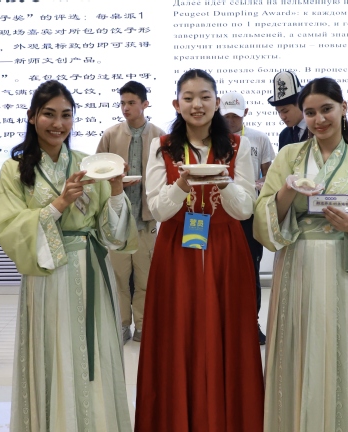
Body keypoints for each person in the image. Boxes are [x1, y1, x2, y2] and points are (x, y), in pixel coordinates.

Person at [0, 80, 137, 431]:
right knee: (55, 351)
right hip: (48, 276)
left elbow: (111, 234)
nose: (58, 124)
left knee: (94, 354)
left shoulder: (89, 164)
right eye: (49, 114)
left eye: (66, 115)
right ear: (32, 116)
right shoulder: (14, 169)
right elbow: (8, 228)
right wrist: (59, 204)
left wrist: (116, 191)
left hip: (92, 272)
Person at [254, 77, 348, 432]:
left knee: (343, 349)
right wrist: (287, 192)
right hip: (298, 265)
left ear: (343, 108)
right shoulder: (289, 156)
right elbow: (263, 213)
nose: (319, 119)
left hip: (345, 266)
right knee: (298, 347)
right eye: (310, 112)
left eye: (327, 109)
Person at [135, 69, 264, 432]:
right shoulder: (162, 146)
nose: (197, 104)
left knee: (229, 333)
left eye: (205, 97)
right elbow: (158, 210)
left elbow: (245, 209)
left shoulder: (237, 146)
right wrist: (181, 184)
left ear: (217, 102)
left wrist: (224, 182)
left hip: (226, 246)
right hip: (177, 247)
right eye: (188, 98)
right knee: (178, 334)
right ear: (176, 104)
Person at [96, 80, 165, 343]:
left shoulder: (159, 136)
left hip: (146, 220)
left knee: (146, 280)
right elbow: (95, 174)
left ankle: (143, 326)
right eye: (123, 103)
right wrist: (114, 183)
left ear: (145, 104)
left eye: (131, 103)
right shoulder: (110, 135)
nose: (125, 108)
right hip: (118, 221)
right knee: (118, 279)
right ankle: (122, 324)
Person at [220, 90, 275, 345]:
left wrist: (258, 184)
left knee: (250, 270)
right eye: (226, 116)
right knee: (220, 269)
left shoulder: (258, 138)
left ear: (245, 113)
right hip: (219, 214)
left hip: (248, 214)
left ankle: (252, 323)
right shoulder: (212, 140)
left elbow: (270, 176)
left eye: (235, 116)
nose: (231, 121)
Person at [267, 71, 308, 151]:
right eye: (278, 112)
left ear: (300, 104)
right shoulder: (284, 135)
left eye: (285, 111)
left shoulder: (317, 129)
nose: (282, 117)